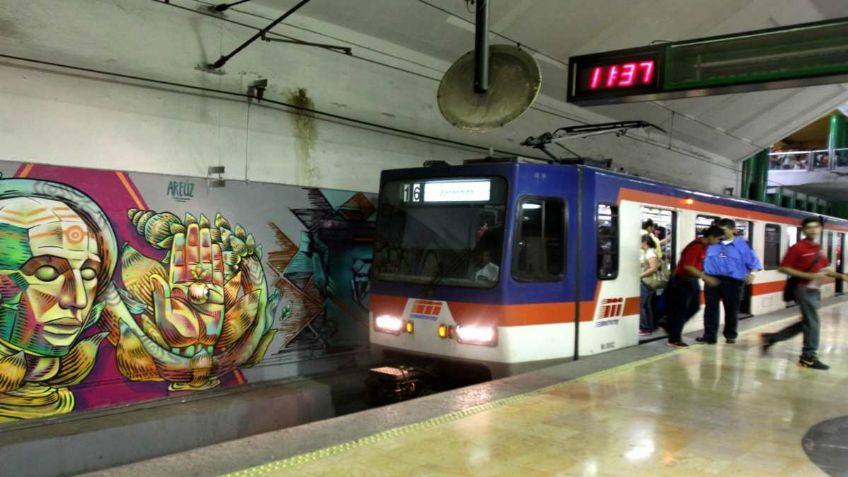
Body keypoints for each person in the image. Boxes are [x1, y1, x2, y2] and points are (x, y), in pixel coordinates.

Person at [761, 218, 848, 370]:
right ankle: (808, 357)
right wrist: (806, 276)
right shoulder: (797, 247)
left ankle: (771, 338)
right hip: (802, 288)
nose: (813, 230)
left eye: (816, 227)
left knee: (808, 322)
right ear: (803, 230)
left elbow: (825, 269)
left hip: (814, 290)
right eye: (809, 227)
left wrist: (841, 276)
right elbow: (784, 268)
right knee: (813, 323)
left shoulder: (818, 248)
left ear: (820, 228)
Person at [697, 218, 763, 344]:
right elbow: (700, 259)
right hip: (712, 280)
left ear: (733, 230)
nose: (719, 232)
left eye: (722, 230)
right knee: (711, 309)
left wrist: (752, 273)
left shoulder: (743, 246)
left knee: (731, 309)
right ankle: (710, 336)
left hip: (733, 282)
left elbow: (754, 262)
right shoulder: (711, 243)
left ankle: (730, 335)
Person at [662, 226, 723, 347]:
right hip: (682, 281)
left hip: (691, 281)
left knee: (694, 307)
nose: (718, 242)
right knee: (681, 310)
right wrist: (705, 277)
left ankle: (670, 324)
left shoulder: (704, 247)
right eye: (718, 239)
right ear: (711, 237)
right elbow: (688, 267)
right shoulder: (696, 247)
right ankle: (674, 338)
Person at [639, 234, 658, 335]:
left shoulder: (650, 252)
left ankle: (645, 328)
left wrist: (640, 275)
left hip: (646, 282)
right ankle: (650, 327)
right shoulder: (648, 252)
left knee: (641, 305)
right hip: (646, 281)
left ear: (645, 242)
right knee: (646, 305)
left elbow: (653, 268)